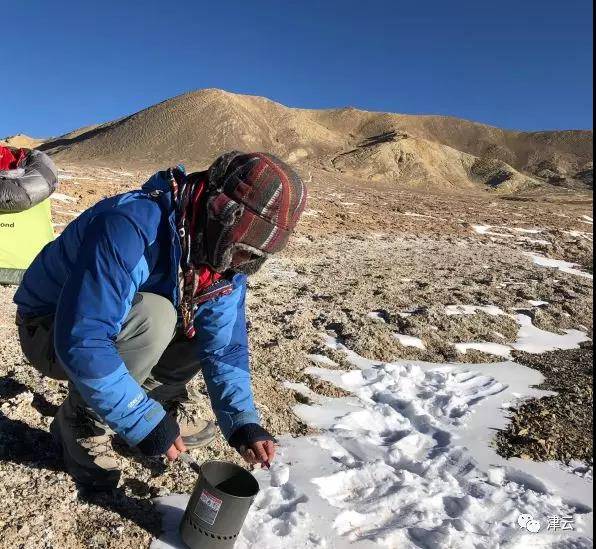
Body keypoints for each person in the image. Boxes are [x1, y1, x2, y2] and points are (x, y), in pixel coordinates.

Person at [14, 151, 307, 489]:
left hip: (107, 327)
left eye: (254, 257)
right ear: (220, 213)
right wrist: (141, 420)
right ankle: (81, 420)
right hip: (48, 330)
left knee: (202, 320)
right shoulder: (131, 225)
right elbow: (84, 338)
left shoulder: (216, 254)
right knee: (157, 315)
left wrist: (242, 423)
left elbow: (225, 347)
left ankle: (149, 398)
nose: (239, 264)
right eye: (241, 249)